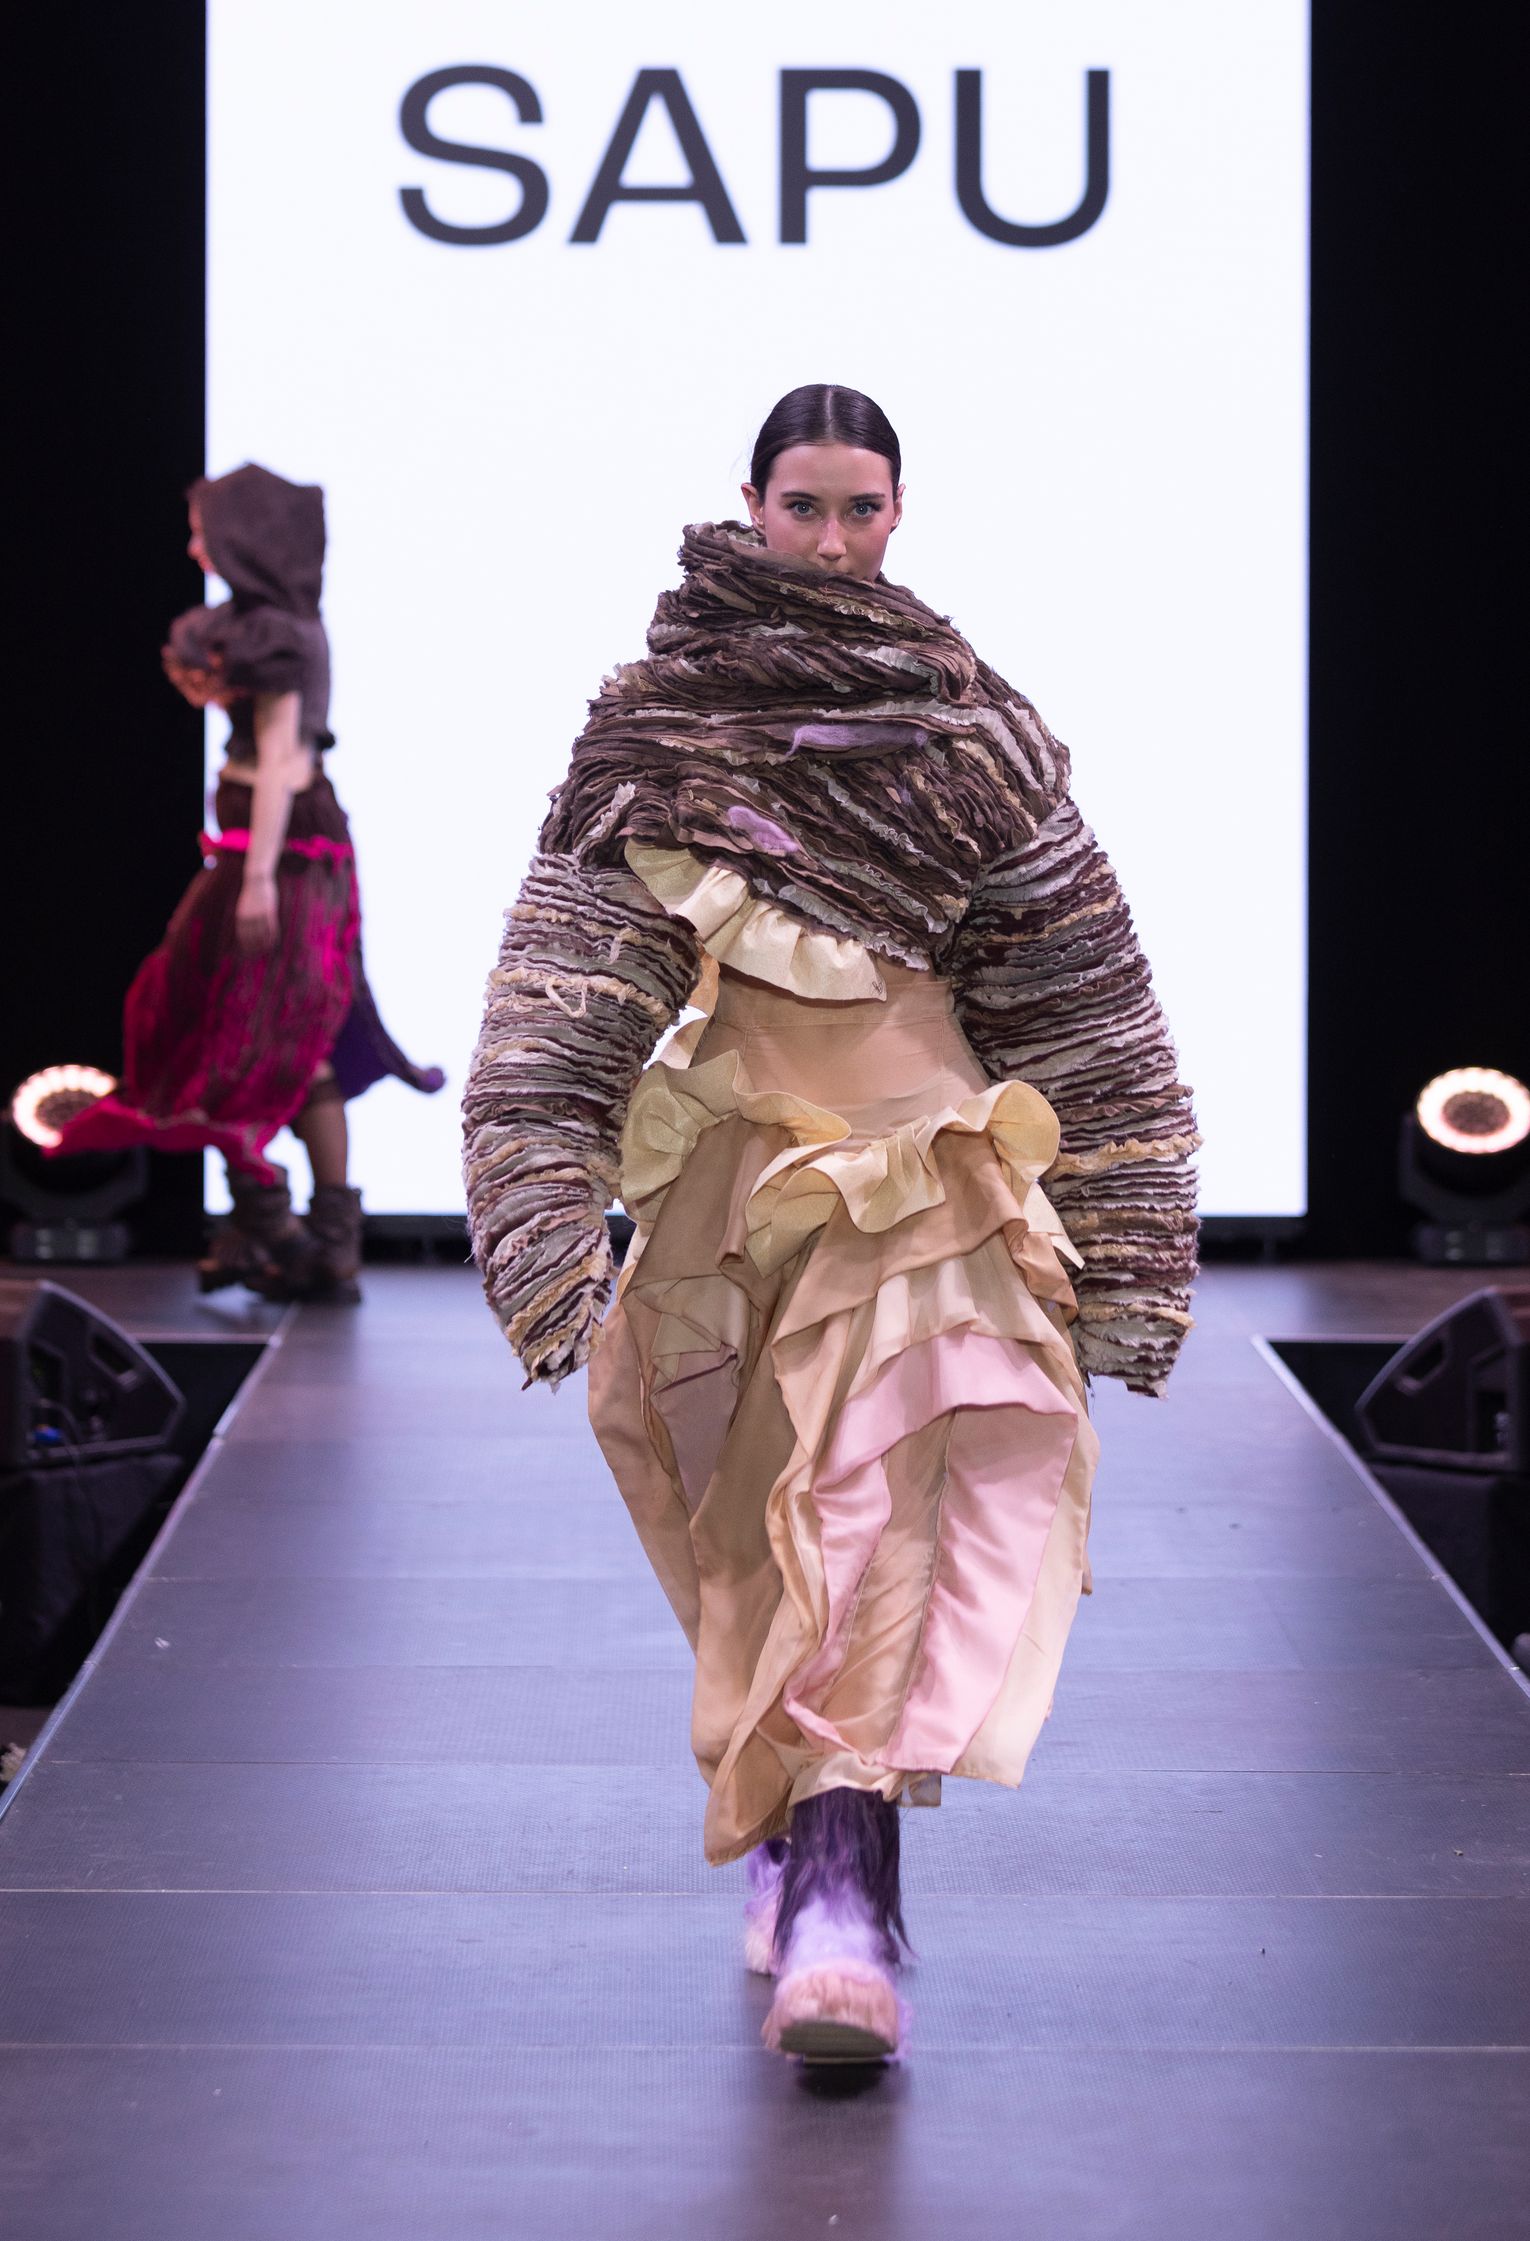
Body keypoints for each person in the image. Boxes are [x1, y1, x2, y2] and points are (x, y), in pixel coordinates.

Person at [463, 386, 1198, 2062]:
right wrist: (539, 1182)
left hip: (932, 1177)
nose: (832, 538)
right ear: (750, 503)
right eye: (804, 505)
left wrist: (1131, 1225)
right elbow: (571, 977)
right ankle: (794, 1834)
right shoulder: (663, 727)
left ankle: (846, 1907)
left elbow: (1079, 994)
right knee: (752, 1533)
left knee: (884, 1515)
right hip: (735, 1185)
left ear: (900, 513)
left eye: (861, 507)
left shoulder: (968, 730)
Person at [54, 462, 443, 1298]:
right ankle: (271, 1226)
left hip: (288, 852)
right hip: (254, 848)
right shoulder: (256, 627)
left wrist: (260, 876)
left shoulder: (281, 637)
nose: (195, 546)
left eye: (205, 532)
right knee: (226, 1020)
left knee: (280, 1029)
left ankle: (301, 1233)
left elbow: (281, 763)